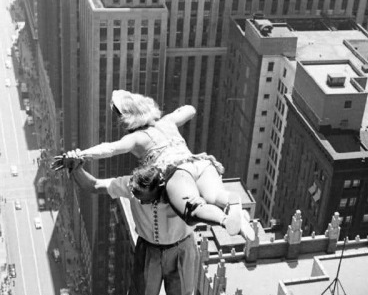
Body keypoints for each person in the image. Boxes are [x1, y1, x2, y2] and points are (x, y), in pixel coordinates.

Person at [53, 90, 254, 241]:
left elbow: (110, 149)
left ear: (128, 120)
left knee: (193, 209)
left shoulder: (136, 138)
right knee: (215, 196)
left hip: (178, 172)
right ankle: (232, 205)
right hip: (200, 164)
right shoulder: (168, 122)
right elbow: (190, 110)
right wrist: (176, 113)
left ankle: (226, 221)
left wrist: (82, 154)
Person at [62, 151, 198, 295]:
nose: (136, 197)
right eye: (134, 192)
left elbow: (209, 195)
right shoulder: (131, 186)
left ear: (158, 189)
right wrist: (76, 169)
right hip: (149, 249)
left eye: (141, 194)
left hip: (181, 248)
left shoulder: (179, 190)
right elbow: (95, 185)